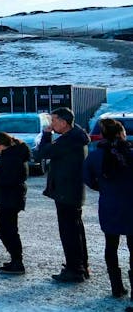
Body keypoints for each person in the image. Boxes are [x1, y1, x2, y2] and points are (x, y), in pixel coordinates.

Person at [83, 118, 133, 312]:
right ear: (122, 134)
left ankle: (116, 287)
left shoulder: (96, 156)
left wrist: (103, 187)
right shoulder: (130, 153)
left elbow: (87, 178)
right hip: (131, 206)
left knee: (110, 247)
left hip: (110, 206)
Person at [38, 107, 91, 283]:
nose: (51, 124)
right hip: (70, 191)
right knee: (75, 230)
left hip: (67, 192)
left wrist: (46, 135)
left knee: (69, 232)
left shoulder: (70, 140)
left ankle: (75, 269)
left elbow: (43, 152)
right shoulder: (74, 137)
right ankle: (80, 265)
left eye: (53, 120)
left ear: (63, 122)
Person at [0, 132, 30, 275]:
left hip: (9, 197)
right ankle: (16, 259)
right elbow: (10, 175)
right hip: (12, 197)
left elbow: (6, 179)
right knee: (8, 228)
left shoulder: (11, 156)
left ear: (3, 144)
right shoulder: (15, 153)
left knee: (4, 228)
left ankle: (17, 260)